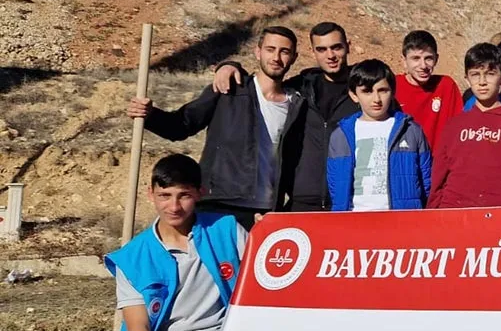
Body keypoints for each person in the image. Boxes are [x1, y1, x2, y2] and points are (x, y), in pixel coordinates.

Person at [77, 154, 247, 331]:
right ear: (150, 194)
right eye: (165, 195)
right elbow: (138, 330)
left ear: (200, 194)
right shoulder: (133, 257)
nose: (174, 206)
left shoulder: (226, 229)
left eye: (184, 196)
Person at [129, 26, 303, 230]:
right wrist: (150, 115)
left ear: (294, 57)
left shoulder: (297, 104)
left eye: (284, 51)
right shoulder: (228, 89)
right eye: (270, 49)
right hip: (217, 206)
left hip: (265, 213)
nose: (276, 57)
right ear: (258, 52)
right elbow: (181, 125)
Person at [214, 22, 359, 211]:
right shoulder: (299, 88)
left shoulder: (365, 89)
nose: (330, 55)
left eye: (336, 47)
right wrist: (229, 66)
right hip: (300, 206)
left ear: (348, 45)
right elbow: (266, 80)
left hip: (350, 204)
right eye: (322, 49)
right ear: (313, 51)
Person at [428, 43, 501, 208]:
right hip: (453, 211)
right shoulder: (454, 125)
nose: (482, 82)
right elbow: (439, 176)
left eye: (490, 74)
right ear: (467, 79)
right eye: (475, 74)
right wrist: (434, 212)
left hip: (498, 212)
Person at [326, 60, 432, 211]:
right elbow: (335, 183)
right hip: (355, 220)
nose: (376, 99)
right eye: (367, 91)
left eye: (382, 90)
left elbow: (426, 179)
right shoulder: (340, 135)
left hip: (402, 221)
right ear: (354, 95)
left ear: (393, 92)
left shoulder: (410, 130)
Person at [395, 30, 463, 151]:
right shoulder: (393, 86)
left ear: (436, 59)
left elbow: (458, 127)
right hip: (404, 160)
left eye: (428, 58)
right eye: (415, 58)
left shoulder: (446, 86)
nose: (423, 66)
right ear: (404, 61)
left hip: (437, 163)